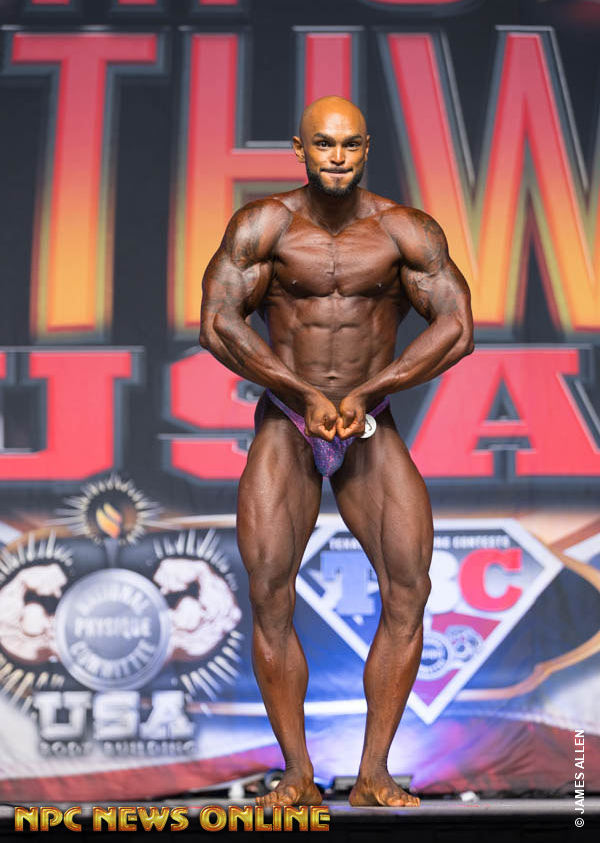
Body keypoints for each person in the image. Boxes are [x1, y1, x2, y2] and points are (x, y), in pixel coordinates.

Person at [199, 96, 474, 807]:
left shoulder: (403, 230)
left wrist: (371, 388)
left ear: (366, 149)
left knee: (410, 589)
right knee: (269, 593)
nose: (337, 157)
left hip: (369, 419)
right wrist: (301, 391)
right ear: (301, 149)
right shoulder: (264, 225)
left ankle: (374, 773)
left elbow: (456, 325)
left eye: (350, 145)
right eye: (324, 144)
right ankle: (297, 775)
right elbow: (218, 322)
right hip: (287, 421)